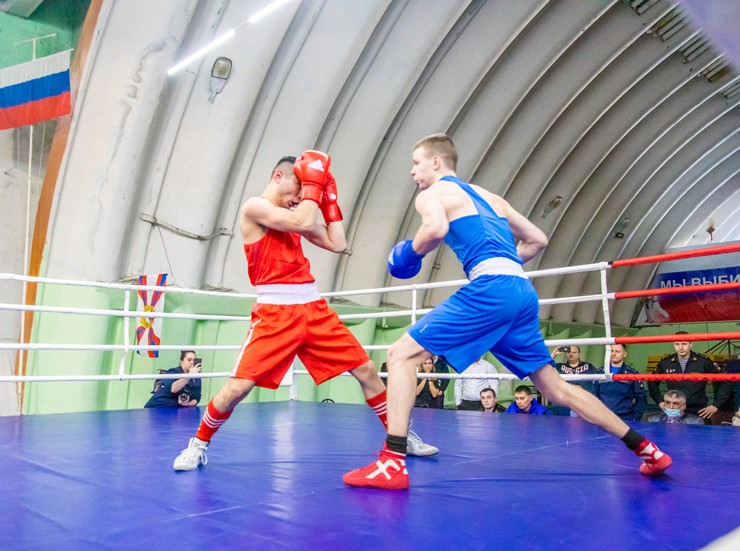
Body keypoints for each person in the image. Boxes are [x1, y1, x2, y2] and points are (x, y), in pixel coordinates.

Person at [343, 134, 671, 490]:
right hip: (521, 290)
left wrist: (409, 254)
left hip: (492, 289)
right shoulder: (491, 197)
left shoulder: (432, 194)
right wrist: (504, 266)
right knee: (556, 387)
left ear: (436, 162)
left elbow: (435, 229)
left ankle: (392, 462)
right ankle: (647, 450)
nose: (412, 172)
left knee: (400, 354)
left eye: (416, 163)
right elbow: (538, 240)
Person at [173, 153, 436, 470]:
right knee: (238, 387)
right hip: (274, 314)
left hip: (313, 308)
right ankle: (198, 444)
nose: (301, 197)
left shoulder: (294, 215)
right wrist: (314, 186)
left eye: (305, 191)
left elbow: (338, 244)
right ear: (278, 176)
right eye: (299, 188)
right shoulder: (255, 207)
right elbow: (304, 222)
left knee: (367, 370)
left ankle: (400, 438)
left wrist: (330, 202)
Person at [648, 331, 732, 422]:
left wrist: (716, 405)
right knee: (674, 431)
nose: (680, 348)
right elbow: (652, 381)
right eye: (677, 344)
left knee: (702, 431)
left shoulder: (703, 361)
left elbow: (725, 381)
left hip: (699, 411)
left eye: (684, 344)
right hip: (675, 411)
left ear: (690, 344)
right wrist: (660, 401)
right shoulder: (666, 362)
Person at [593, 344, 646, 422]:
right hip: (603, 418)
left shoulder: (632, 374)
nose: (614, 354)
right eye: (611, 351)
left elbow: (641, 398)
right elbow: (594, 396)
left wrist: (635, 418)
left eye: (617, 351)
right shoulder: (600, 372)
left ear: (624, 354)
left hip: (626, 418)